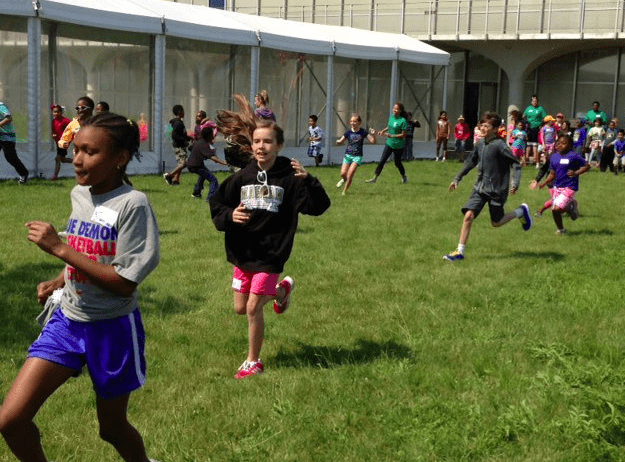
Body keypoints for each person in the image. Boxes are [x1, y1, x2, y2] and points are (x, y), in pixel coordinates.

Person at [0, 112, 162, 462]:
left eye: (90, 152)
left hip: (113, 329)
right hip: (68, 321)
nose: (77, 159)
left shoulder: (133, 204)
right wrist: (59, 279)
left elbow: (124, 283)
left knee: (112, 428)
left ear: (120, 158)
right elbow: (86, 251)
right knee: (10, 420)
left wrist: (59, 248)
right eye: (76, 149)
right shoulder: (80, 194)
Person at [210, 98, 330, 379]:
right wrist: (230, 215)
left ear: (279, 146)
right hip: (244, 251)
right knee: (240, 308)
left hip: (272, 253)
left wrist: (309, 180)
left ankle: (253, 362)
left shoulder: (290, 176)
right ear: (251, 145)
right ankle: (281, 292)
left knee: (254, 307)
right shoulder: (243, 176)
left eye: (267, 141)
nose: (261, 146)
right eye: (257, 141)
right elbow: (217, 203)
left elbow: (319, 207)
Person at [443, 112, 532, 262]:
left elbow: (515, 164)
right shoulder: (479, 144)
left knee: (496, 222)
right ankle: (460, 252)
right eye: (482, 125)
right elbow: (470, 162)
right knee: (468, 216)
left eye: (487, 126)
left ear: (496, 129)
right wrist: (457, 179)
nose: (483, 128)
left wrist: (515, 183)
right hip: (480, 188)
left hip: (496, 190)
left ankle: (520, 212)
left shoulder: (500, 146)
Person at [537, 134, 590, 234]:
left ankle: (570, 208)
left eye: (564, 143)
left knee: (556, 208)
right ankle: (561, 229)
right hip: (557, 187)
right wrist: (543, 183)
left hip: (570, 186)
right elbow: (552, 174)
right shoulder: (554, 157)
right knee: (554, 210)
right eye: (558, 143)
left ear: (570, 145)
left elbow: (587, 166)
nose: (560, 145)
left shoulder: (573, 156)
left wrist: (576, 173)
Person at [365, 103, 409, 184]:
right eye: (394, 108)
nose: (394, 110)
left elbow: (404, 135)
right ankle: (374, 179)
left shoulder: (403, 121)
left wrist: (391, 135)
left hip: (398, 145)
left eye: (396, 109)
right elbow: (390, 126)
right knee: (382, 161)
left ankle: (403, 176)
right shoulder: (391, 117)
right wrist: (383, 131)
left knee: (397, 163)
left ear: (400, 110)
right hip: (389, 144)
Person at [335, 114, 376, 195]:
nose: (352, 123)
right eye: (351, 121)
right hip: (348, 155)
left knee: (350, 174)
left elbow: (372, 141)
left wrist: (373, 134)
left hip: (357, 156)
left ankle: (344, 191)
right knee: (343, 173)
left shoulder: (363, 132)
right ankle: (344, 179)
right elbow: (341, 140)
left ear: (359, 122)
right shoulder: (348, 132)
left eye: (354, 121)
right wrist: (338, 142)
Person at [188, 125, 227, 200]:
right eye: (212, 135)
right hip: (196, 166)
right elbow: (212, 157)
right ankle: (210, 198)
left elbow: (191, 148)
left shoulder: (199, 142)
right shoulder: (203, 144)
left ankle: (196, 192)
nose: (213, 136)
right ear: (208, 135)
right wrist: (222, 162)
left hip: (192, 164)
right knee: (213, 180)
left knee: (203, 175)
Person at [0, 100, 29, 184]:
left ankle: (23, 173)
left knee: (10, 157)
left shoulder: (1, 107)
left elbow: (9, 118)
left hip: (7, 137)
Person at [163, 104, 191, 186]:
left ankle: (176, 180)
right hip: (179, 146)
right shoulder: (178, 123)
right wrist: (183, 141)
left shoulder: (178, 122)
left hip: (180, 146)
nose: (184, 113)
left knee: (180, 163)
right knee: (185, 163)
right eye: (183, 111)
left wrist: (189, 138)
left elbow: (181, 134)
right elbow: (175, 135)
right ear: (179, 112)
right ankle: (169, 175)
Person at [523, 95, 547, 167]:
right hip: (529, 128)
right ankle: (526, 160)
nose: (534, 102)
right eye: (533, 101)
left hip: (536, 128)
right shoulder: (528, 108)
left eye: (535, 101)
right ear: (531, 101)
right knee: (528, 144)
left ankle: (535, 160)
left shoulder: (540, 109)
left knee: (535, 144)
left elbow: (545, 118)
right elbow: (524, 116)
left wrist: (541, 124)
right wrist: (525, 123)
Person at [50, 104, 71, 180]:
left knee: (57, 158)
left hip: (63, 142)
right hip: (58, 142)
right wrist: (53, 135)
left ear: (61, 112)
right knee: (63, 159)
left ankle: (55, 176)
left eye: (57, 112)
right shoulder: (53, 121)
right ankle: (78, 161)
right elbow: (54, 132)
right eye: (54, 112)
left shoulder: (65, 121)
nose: (55, 113)